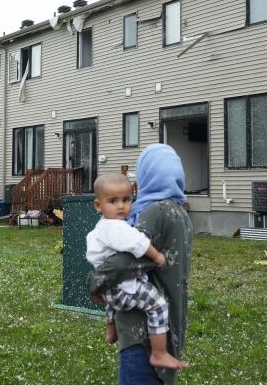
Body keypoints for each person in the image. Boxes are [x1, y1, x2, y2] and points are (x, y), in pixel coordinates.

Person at [88, 144, 194, 385]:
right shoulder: (182, 214)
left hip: (142, 331)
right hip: (169, 323)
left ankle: (112, 328)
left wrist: (94, 280)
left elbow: (128, 260)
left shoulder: (155, 211)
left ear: (147, 174)